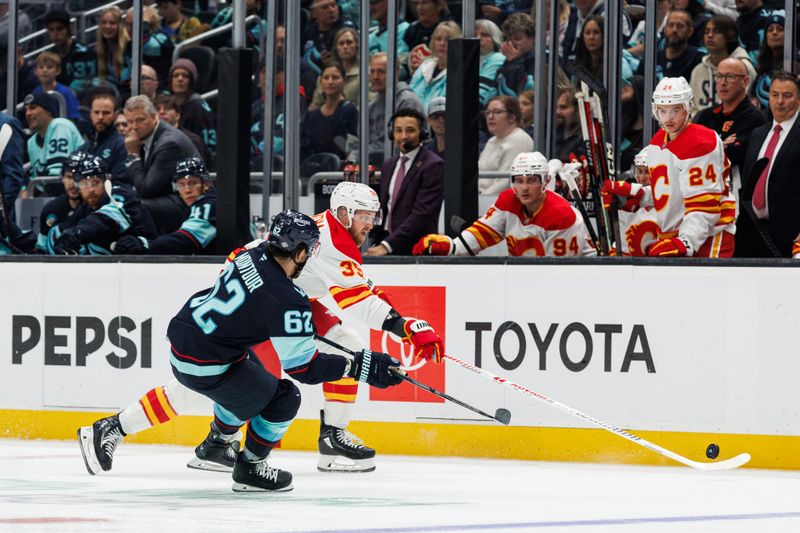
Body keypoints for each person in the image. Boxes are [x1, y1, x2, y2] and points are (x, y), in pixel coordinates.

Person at [79, 194, 441, 476]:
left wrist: (400, 328)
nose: (372, 223)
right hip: (265, 304)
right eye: (366, 215)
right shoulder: (325, 248)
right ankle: (195, 440)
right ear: (345, 212)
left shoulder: (317, 232)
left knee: (347, 344)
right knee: (245, 388)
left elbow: (350, 289)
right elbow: (353, 306)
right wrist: (395, 336)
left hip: (240, 299)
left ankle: (329, 436)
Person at [412, 152, 596, 257]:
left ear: (545, 182)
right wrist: (449, 247)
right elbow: (478, 237)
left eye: (531, 180)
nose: (524, 188)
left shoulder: (561, 215)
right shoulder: (508, 201)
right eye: (518, 180)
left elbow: (559, 274)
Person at [644, 76, 736, 258]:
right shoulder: (657, 141)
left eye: (675, 110)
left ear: (688, 107)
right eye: (662, 111)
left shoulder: (701, 142)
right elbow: (670, 191)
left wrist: (686, 241)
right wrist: (637, 196)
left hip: (709, 237)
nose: (668, 118)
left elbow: (704, 204)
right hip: (675, 238)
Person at [735, 72, 800, 258]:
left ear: (798, 99)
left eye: (787, 96)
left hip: (790, 235)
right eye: (774, 94)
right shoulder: (757, 133)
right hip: (751, 232)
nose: (779, 101)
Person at [368, 108, 444, 256]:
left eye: (410, 130)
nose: (403, 136)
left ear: (422, 133)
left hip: (416, 248)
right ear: (392, 133)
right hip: (384, 242)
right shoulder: (389, 165)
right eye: (398, 130)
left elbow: (422, 215)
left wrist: (387, 246)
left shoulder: (433, 165)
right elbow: (384, 208)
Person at [48, 156, 158, 255]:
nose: (90, 189)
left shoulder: (119, 195)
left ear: (107, 182)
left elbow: (105, 220)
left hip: (148, 257)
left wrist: (77, 233)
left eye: (95, 183)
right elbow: (63, 232)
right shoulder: (84, 208)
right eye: (84, 184)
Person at [123, 95, 199, 234]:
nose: (134, 127)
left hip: (186, 203)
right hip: (166, 199)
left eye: (140, 120)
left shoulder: (169, 143)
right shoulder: (143, 137)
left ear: (153, 117)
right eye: (129, 122)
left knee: (133, 208)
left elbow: (146, 189)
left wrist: (133, 155)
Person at [114, 157, 216, 255]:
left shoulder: (209, 204)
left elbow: (183, 241)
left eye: (192, 183)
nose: (187, 190)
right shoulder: (190, 206)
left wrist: (147, 245)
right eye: (181, 185)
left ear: (206, 184)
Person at [693, 57, 766, 169]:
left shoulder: (754, 117)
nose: (723, 82)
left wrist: (705, 146)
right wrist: (720, 145)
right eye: (719, 76)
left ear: (745, 81)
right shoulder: (704, 115)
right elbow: (688, 150)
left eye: (730, 76)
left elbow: (732, 156)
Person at [689, 15, 757, 114]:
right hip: (702, 124)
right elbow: (692, 107)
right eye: (707, 31)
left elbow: (743, 103)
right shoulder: (698, 70)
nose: (710, 35)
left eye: (716, 31)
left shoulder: (744, 67)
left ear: (729, 35)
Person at [600, 150, 660, 256]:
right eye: (639, 171)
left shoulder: (667, 198)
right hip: (636, 265)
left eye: (647, 172)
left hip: (661, 264)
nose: (642, 177)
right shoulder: (626, 201)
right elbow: (624, 245)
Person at [24, 92, 83, 196]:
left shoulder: (59, 125)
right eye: (26, 109)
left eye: (33, 108)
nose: (28, 113)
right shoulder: (31, 142)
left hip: (76, 193)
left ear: (48, 111)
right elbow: (36, 183)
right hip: (49, 197)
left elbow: (57, 179)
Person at [367, 52, 424, 155]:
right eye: (372, 72)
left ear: (397, 72)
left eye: (381, 72)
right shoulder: (371, 107)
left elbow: (405, 143)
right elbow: (360, 141)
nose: (375, 77)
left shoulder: (407, 102)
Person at [300, 61, 358, 162]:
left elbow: (353, 150)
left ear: (344, 81)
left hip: (340, 172)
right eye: (326, 78)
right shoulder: (312, 116)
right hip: (314, 172)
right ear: (320, 81)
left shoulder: (350, 111)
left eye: (335, 77)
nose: (330, 82)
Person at [479, 95, 534, 194]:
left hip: (495, 202)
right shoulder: (492, 140)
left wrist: (479, 200)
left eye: (497, 112)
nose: (490, 116)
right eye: (488, 113)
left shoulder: (519, 139)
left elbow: (505, 182)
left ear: (512, 117)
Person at [36, 151, 85, 252]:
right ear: (62, 178)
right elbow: (42, 249)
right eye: (69, 177)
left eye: (79, 178)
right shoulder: (50, 209)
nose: (74, 183)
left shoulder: (94, 207)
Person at [167, 58, 217, 159]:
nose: (180, 79)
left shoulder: (198, 107)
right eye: (175, 75)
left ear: (192, 80)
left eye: (185, 75)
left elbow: (208, 148)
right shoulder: (168, 105)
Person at [409, 21, 462, 111]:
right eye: (438, 39)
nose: (442, 43)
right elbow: (409, 96)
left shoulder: (459, 72)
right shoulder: (424, 67)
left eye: (448, 39)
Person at [43, 9, 97, 98]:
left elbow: (85, 85)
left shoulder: (84, 53)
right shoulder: (50, 55)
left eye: (60, 29)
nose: (55, 34)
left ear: (69, 28)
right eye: (51, 30)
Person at [310, 27, 365, 111]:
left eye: (349, 42)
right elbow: (316, 104)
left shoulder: (365, 73)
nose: (345, 47)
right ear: (336, 47)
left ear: (357, 45)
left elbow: (367, 105)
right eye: (341, 43)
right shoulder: (327, 73)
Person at [79, 92, 128, 181]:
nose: (100, 117)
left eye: (106, 113)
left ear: (116, 116)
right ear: (90, 114)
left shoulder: (122, 146)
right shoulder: (83, 148)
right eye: (96, 112)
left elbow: (122, 182)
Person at [154, 94, 212, 166]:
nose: (161, 112)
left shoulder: (191, 140)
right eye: (157, 109)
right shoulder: (148, 139)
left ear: (177, 115)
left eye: (167, 108)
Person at [301, 0, 355, 75]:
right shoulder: (309, 30)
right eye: (325, 7)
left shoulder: (346, 30)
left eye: (333, 6)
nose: (331, 10)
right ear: (313, 13)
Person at [752, 13, 792, 109]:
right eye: (770, 30)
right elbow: (753, 92)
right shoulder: (763, 64)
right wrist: (753, 99)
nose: (774, 33)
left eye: (780, 29)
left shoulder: (795, 63)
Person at [650, 10, 704, 82]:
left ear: (690, 31)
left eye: (680, 26)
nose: (674, 30)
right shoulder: (652, 58)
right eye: (670, 25)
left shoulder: (698, 59)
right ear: (665, 29)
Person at [403, 0, 452, 73]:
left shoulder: (449, 29)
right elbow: (405, 59)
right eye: (417, 4)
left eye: (424, 3)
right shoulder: (411, 30)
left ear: (438, 6)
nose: (420, 8)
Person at [32, 52, 81, 121]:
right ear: (35, 71)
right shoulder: (36, 92)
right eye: (41, 67)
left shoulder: (66, 92)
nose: (44, 70)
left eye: (49, 67)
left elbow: (73, 118)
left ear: (58, 71)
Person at [93, 6, 131, 94]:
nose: (107, 26)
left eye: (112, 23)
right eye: (104, 22)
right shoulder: (96, 50)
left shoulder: (129, 47)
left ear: (120, 26)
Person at [495, 12, 535, 97]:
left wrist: (514, 61)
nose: (512, 43)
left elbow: (525, 91)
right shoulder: (507, 61)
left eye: (517, 38)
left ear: (532, 38)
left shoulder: (544, 60)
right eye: (508, 39)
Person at [475, 19, 506, 106]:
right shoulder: (464, 60)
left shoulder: (498, 58)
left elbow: (480, 96)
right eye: (474, 35)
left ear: (494, 39)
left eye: (484, 35)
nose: (478, 38)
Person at [553, 87, 585, 163]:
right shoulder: (553, 135)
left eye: (563, 107)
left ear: (578, 109)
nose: (557, 112)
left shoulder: (586, 138)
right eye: (556, 108)